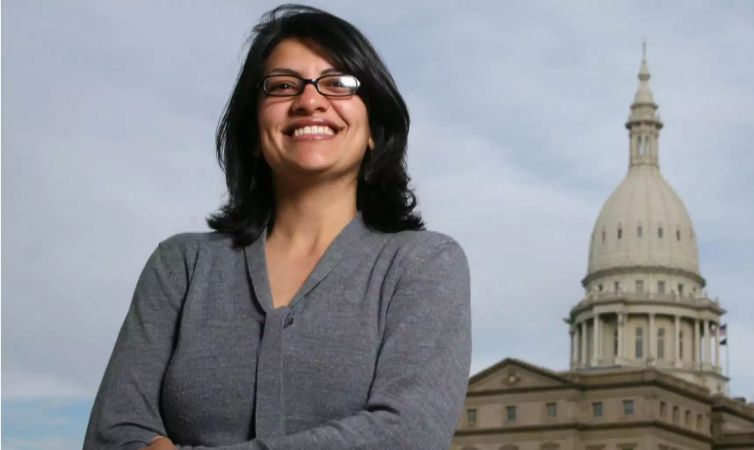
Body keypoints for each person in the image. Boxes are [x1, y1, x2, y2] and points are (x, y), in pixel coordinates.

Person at [83, 5, 471, 450]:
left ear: (373, 130)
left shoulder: (424, 265)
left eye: (339, 83)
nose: (310, 101)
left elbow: (408, 436)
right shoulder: (181, 266)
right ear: (253, 129)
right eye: (283, 86)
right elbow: (111, 435)